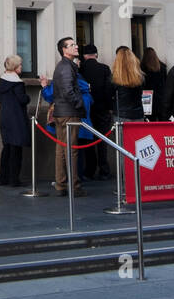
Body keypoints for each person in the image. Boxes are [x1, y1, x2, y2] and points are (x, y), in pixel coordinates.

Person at [48, 37, 87, 196]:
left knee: (62, 149)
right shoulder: (65, 67)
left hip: (62, 112)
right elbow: (68, 90)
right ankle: (73, 185)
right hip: (68, 113)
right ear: (64, 50)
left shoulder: (66, 66)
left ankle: (62, 183)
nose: (76, 47)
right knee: (71, 150)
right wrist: (79, 104)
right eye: (72, 45)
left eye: (75, 44)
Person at [77, 44, 114, 180]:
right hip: (102, 108)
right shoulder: (104, 69)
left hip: (87, 109)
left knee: (88, 140)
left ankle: (89, 170)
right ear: (96, 55)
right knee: (102, 139)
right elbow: (108, 89)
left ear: (84, 56)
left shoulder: (81, 69)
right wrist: (109, 107)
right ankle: (104, 170)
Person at [0, 56, 32, 186]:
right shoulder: (18, 83)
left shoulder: (1, 80)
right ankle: (13, 179)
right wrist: (28, 98)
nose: (22, 67)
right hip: (16, 119)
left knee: (7, 148)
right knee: (16, 149)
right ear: (15, 67)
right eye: (20, 65)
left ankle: (2, 178)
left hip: (4, 117)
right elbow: (22, 99)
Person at [112, 47, 145, 122]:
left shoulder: (114, 78)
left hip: (121, 115)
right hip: (138, 114)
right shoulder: (140, 77)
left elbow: (109, 96)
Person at [140, 48, 166, 118]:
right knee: (162, 121)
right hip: (160, 97)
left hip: (147, 97)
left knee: (149, 122)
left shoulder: (142, 67)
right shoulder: (162, 67)